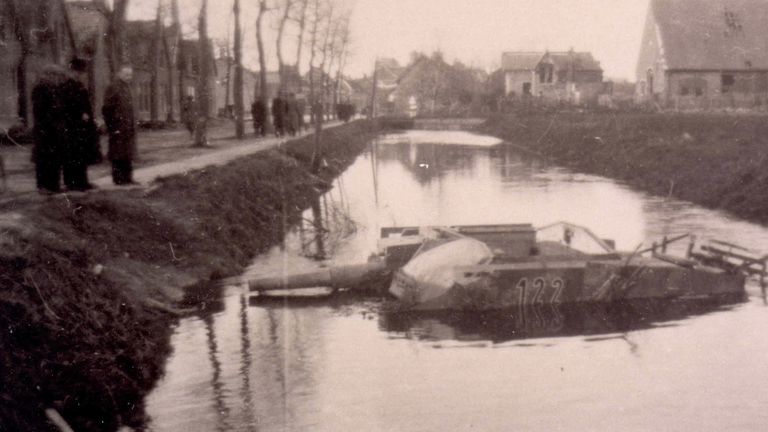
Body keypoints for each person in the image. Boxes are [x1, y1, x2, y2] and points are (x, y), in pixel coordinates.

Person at [62, 57, 99, 191]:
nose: (79, 75)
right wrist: (80, 114)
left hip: (82, 127)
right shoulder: (66, 86)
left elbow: (85, 104)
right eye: (77, 72)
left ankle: (82, 181)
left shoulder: (80, 86)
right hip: (71, 127)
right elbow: (66, 107)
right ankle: (72, 183)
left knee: (81, 155)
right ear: (72, 71)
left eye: (81, 72)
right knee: (72, 155)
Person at [31, 64, 69, 193]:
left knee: (55, 159)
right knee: (44, 159)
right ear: (48, 75)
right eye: (54, 75)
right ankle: (43, 186)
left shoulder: (55, 89)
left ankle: (54, 185)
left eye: (58, 76)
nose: (57, 78)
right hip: (45, 130)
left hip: (55, 130)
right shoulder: (40, 89)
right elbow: (40, 110)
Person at [102, 65, 137, 185]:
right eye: (126, 74)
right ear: (119, 74)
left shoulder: (128, 88)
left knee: (127, 153)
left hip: (127, 127)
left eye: (130, 75)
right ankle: (118, 178)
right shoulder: (113, 87)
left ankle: (128, 177)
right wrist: (112, 126)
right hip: (117, 126)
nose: (129, 77)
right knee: (117, 154)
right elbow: (106, 109)